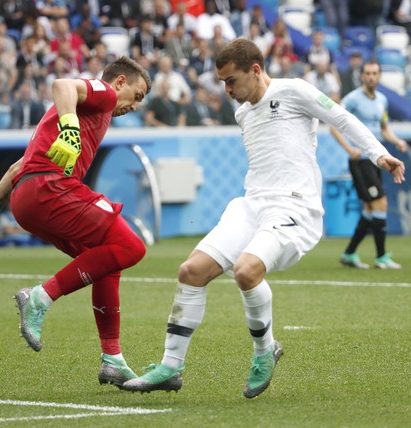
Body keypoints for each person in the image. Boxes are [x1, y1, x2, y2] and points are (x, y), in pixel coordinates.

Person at [120, 38, 405, 397]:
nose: (227, 90)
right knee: (190, 272)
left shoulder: (295, 90)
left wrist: (379, 155)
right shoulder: (242, 111)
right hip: (251, 204)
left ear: (255, 70)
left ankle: (264, 351)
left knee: (246, 270)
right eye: (222, 82)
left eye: (231, 81)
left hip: (294, 206)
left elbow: (342, 118)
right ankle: (170, 367)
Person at [0, 56, 151, 387]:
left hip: (27, 200)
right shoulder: (102, 93)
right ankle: (40, 297)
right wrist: (70, 125)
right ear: (120, 82)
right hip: (51, 188)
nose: (135, 105)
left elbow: (19, 167)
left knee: (107, 260)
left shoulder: (78, 115)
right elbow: (62, 84)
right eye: (138, 95)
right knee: (131, 246)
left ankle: (112, 358)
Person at [331, 60, 408, 270]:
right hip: (360, 160)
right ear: (362, 76)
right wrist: (349, 149)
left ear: (379, 76)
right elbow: (334, 125)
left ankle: (349, 254)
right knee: (380, 203)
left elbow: (383, 128)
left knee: (369, 208)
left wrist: (396, 141)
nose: (371, 77)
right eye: (368, 73)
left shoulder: (382, 99)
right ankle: (381, 256)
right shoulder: (352, 99)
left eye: (375, 73)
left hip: (375, 159)